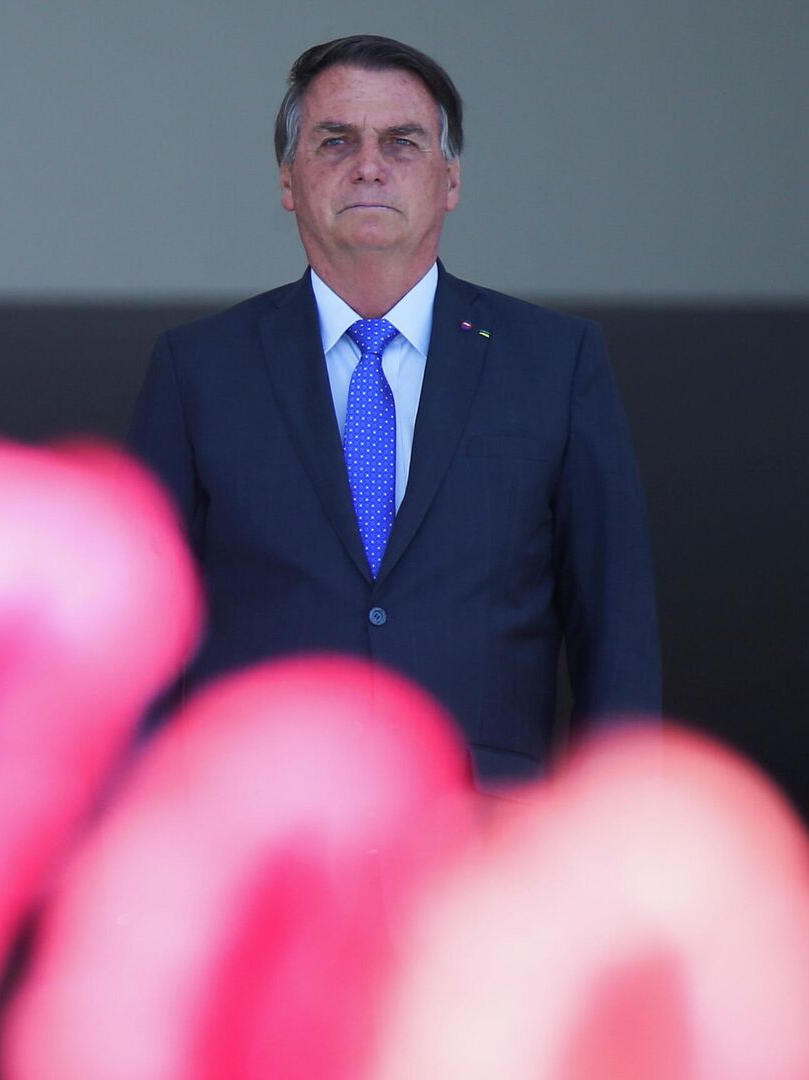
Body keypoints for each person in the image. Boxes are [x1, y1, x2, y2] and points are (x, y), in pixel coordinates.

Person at [127, 35, 659, 783]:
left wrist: (617, 823)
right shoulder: (198, 370)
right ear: (288, 178)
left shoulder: (554, 362)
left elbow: (616, 632)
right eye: (335, 141)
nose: (369, 165)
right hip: (260, 820)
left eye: (402, 142)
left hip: (483, 825)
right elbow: (140, 632)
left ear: (451, 180)